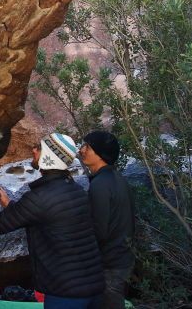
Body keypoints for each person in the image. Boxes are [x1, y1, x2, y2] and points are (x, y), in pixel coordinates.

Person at [0, 133, 105, 309]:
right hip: (93, 285)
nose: (33, 150)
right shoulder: (75, 189)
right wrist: (7, 203)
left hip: (66, 292)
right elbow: (40, 216)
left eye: (39, 148)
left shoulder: (40, 197)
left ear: (49, 157)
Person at [79, 131, 135, 309]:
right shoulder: (117, 179)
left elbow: (99, 230)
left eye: (87, 146)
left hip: (109, 265)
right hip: (121, 258)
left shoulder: (100, 185)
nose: (81, 150)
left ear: (100, 153)